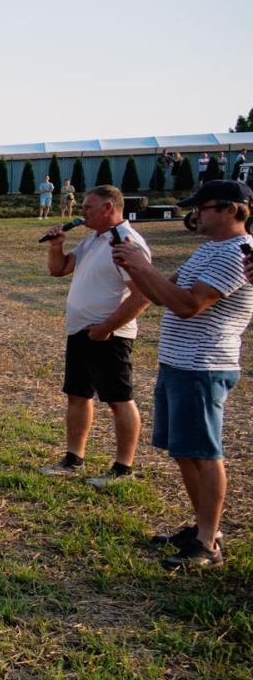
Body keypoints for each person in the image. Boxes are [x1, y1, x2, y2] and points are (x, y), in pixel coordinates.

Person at [111, 180, 253, 570]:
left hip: (203, 367)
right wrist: (135, 271)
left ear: (230, 210)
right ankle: (204, 528)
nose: (195, 214)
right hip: (181, 364)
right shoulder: (210, 250)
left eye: (202, 208)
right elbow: (163, 294)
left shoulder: (236, 255)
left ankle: (207, 543)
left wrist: (142, 267)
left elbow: (189, 305)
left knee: (205, 454)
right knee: (187, 452)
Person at [40, 186, 152, 487]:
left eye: (88, 208)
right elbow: (59, 269)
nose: (82, 213)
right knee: (77, 395)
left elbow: (142, 295)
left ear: (108, 208)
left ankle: (122, 467)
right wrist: (56, 246)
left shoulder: (125, 242)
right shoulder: (93, 240)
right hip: (80, 331)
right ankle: (73, 458)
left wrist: (107, 327)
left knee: (119, 399)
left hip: (109, 335)